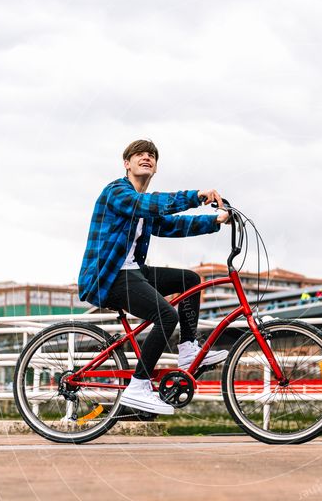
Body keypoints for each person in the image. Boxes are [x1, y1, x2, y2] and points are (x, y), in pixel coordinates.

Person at [78, 139, 231, 415]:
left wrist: (215, 221)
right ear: (127, 164)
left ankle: (188, 350)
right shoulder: (117, 193)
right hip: (108, 277)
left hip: (132, 271)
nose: (146, 157)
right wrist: (195, 196)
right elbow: (147, 204)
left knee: (190, 280)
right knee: (166, 316)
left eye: (151, 155)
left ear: (156, 167)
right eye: (139, 154)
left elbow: (171, 224)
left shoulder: (145, 206)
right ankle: (138, 385)